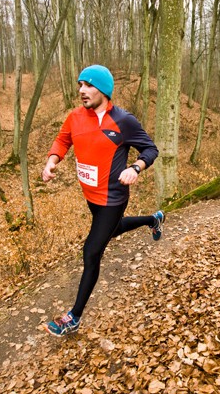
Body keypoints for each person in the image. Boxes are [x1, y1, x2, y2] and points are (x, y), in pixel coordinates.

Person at [41, 64, 164, 336]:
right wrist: (51, 162)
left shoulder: (123, 121)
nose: (82, 91)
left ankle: (73, 317)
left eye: (88, 85)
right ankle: (153, 220)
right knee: (113, 229)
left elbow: (150, 149)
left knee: (91, 251)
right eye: (80, 85)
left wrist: (135, 168)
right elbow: (62, 141)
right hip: (90, 196)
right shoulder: (74, 117)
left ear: (104, 90)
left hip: (113, 198)